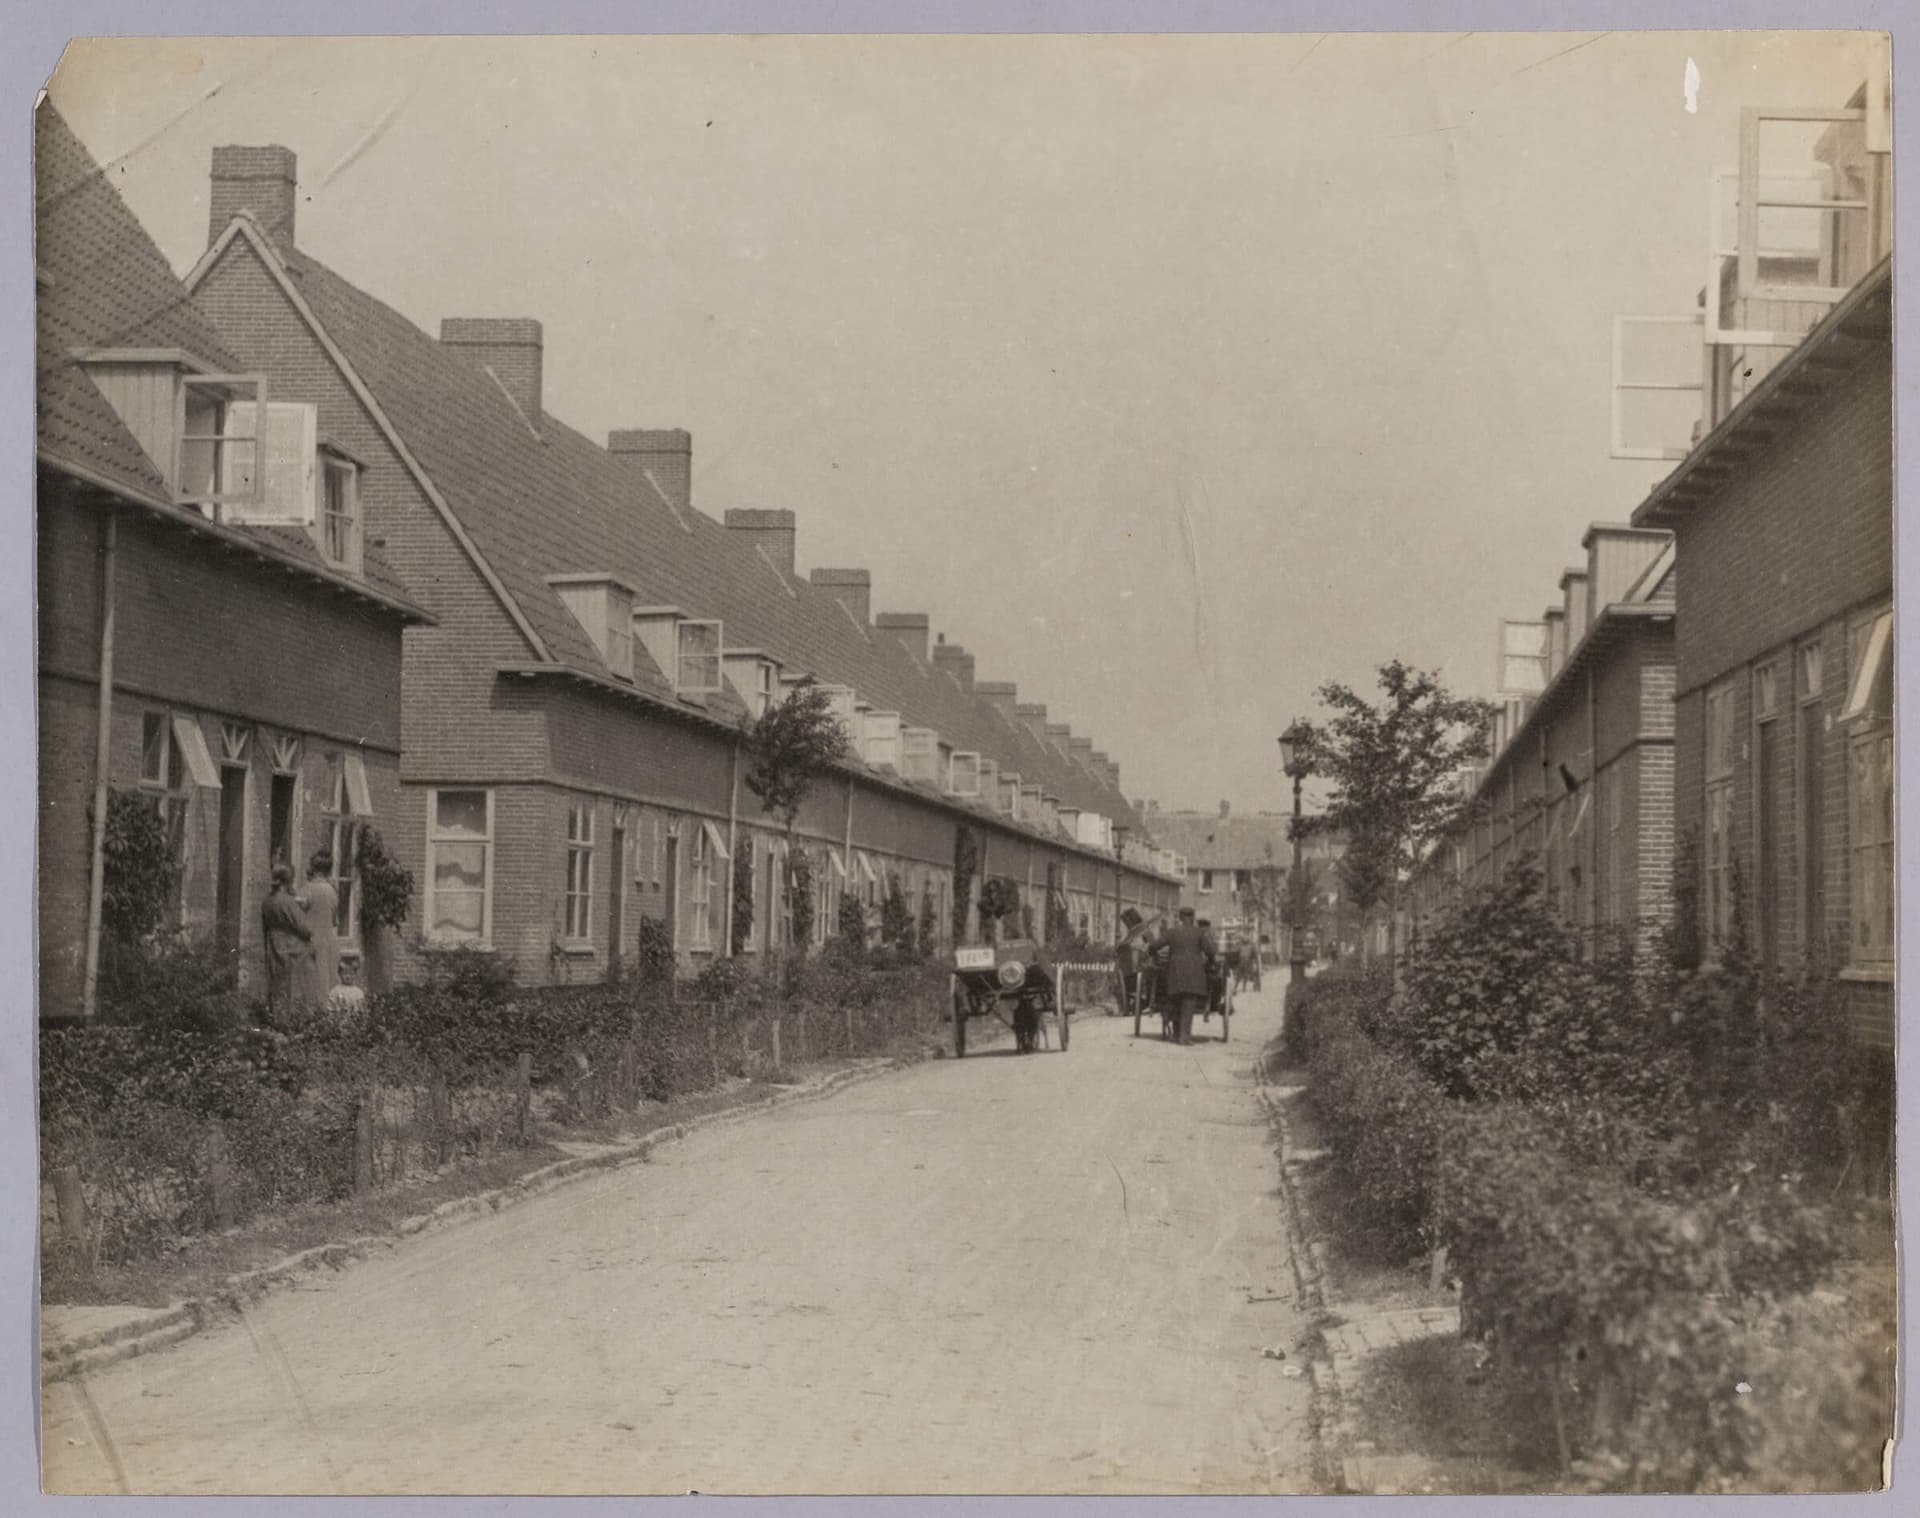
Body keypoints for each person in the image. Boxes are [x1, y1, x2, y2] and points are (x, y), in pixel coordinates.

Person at [1152, 907, 1217, 1046]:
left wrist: (1152, 953)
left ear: (1180, 918)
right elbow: (1210, 951)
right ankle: (1184, 1037)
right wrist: (1211, 962)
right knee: (1189, 1004)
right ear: (1192, 917)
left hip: (1175, 973)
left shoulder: (1172, 932)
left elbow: (1155, 946)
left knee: (1176, 1002)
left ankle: (1176, 1035)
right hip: (1194, 974)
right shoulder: (1200, 933)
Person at [260, 864, 311, 1024]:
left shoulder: (267, 901)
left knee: (277, 984)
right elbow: (305, 929)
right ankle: (291, 1024)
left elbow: (264, 926)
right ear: (288, 881)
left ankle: (276, 1020)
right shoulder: (288, 902)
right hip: (291, 947)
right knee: (293, 987)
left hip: (273, 944)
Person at [293, 850, 340, 1013]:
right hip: (329, 943)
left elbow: (296, 917)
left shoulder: (307, 889)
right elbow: (333, 921)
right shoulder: (332, 891)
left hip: (311, 943)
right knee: (326, 984)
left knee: (308, 985)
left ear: (313, 868)